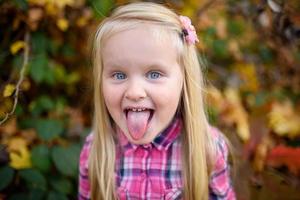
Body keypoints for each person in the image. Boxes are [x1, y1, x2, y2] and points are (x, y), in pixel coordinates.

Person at [78, 2, 236, 200]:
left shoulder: (208, 148)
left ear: (184, 81)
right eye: (118, 75)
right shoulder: (95, 150)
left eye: (154, 74)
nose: (135, 92)